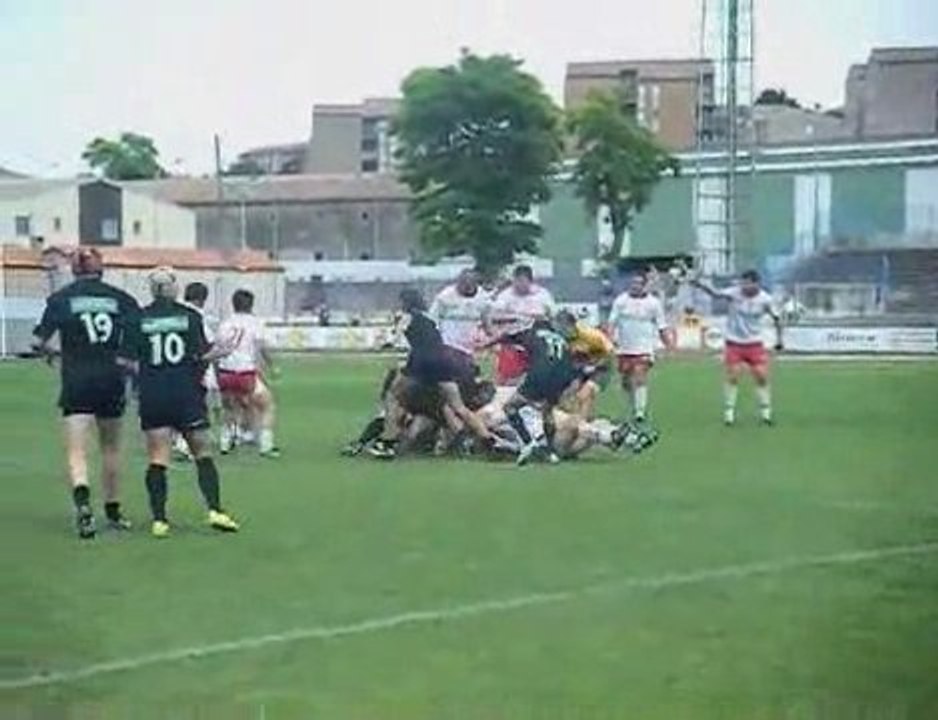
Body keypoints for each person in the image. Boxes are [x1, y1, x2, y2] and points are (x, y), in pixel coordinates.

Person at [31, 247, 139, 539]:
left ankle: (83, 507)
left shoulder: (61, 299)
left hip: (77, 380)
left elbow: (37, 341)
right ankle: (113, 511)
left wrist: (54, 352)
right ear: (100, 269)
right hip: (111, 379)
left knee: (77, 450)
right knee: (111, 449)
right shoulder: (122, 299)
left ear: (74, 270)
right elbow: (135, 340)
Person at [126, 267, 239, 538]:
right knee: (202, 452)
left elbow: (128, 360)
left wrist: (139, 383)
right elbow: (199, 356)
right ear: (173, 288)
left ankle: (160, 520)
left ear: (153, 290)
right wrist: (220, 353)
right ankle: (215, 510)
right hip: (186, 392)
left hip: (153, 395)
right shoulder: (189, 317)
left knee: (158, 457)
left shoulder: (138, 318)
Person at [370, 289, 492, 459]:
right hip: (443, 360)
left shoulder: (406, 316)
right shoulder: (428, 319)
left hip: (421, 360)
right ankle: (487, 440)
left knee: (393, 396)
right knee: (458, 406)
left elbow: (395, 337)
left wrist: (384, 344)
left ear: (404, 302)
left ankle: (387, 443)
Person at [693, 269, 783, 425]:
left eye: (748, 283)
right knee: (733, 375)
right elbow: (715, 293)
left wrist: (780, 339)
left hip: (754, 342)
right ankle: (729, 414)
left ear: (756, 283)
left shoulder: (765, 300)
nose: (744, 286)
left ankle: (766, 413)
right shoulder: (734, 293)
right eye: (743, 282)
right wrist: (700, 284)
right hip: (734, 342)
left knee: (761, 376)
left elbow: (777, 319)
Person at [498, 316, 591, 466]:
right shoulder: (561, 340)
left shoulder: (532, 333)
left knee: (510, 407)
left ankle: (528, 443)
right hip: (562, 376)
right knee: (547, 411)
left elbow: (508, 338)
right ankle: (551, 451)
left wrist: (491, 340)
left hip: (540, 373)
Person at [216, 289, 280, 457]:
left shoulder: (225, 323)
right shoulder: (255, 323)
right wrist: (272, 366)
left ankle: (225, 441)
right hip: (245, 373)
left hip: (225, 372)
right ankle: (266, 445)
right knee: (267, 405)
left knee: (229, 408)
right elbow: (262, 347)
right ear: (251, 304)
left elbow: (218, 348)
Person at [607, 272, 674, 422]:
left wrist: (668, 345)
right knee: (626, 381)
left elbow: (662, 326)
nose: (635, 286)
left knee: (639, 375)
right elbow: (612, 323)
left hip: (644, 348)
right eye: (633, 283)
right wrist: (609, 340)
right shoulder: (621, 301)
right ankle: (632, 407)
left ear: (645, 285)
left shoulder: (654, 303)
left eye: (639, 283)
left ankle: (640, 413)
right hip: (624, 348)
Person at [172, 282, 221, 460]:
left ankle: (179, 440)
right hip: (195, 368)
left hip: (172, 366)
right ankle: (187, 444)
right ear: (203, 299)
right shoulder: (198, 317)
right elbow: (207, 346)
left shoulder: (175, 313)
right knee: (196, 407)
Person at [488, 264, 555, 386]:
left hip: (537, 337)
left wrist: (534, 318)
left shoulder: (542, 295)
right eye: (516, 281)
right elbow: (494, 316)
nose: (518, 285)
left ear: (530, 281)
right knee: (506, 376)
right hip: (513, 338)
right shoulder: (506, 296)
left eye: (522, 281)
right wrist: (515, 317)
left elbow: (552, 316)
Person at [429, 268, 489, 376]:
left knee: (469, 374)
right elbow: (433, 319)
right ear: (459, 283)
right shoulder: (445, 296)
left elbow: (486, 318)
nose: (468, 288)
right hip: (450, 344)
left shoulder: (483, 297)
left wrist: (488, 335)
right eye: (465, 284)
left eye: (471, 284)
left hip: (471, 345)